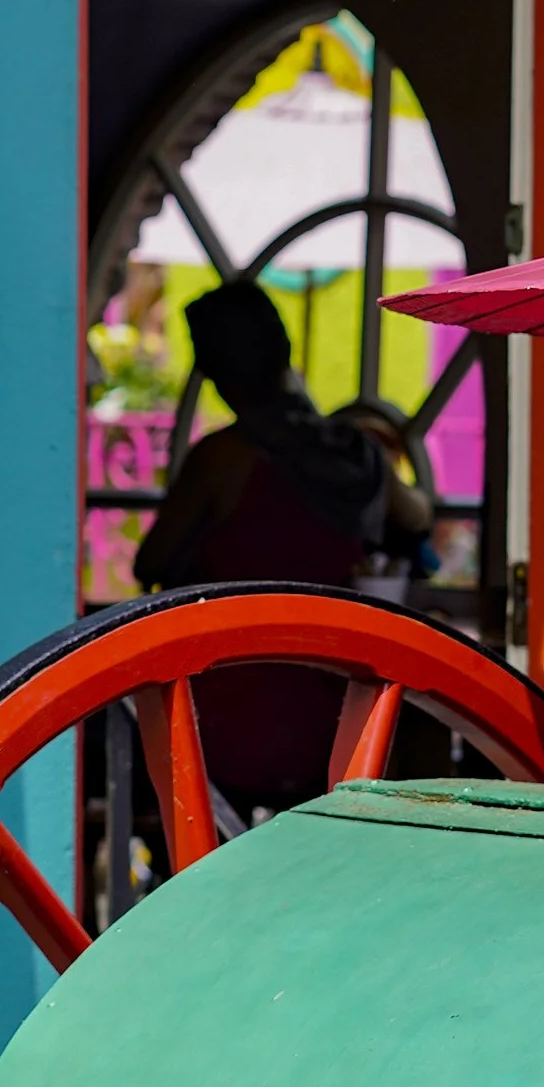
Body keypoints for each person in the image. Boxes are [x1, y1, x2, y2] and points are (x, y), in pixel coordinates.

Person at [132, 279, 434, 814]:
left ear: (218, 370)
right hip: (340, 708)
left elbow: (149, 563)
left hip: (232, 708)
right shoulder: (352, 454)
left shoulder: (221, 459)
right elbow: (417, 516)